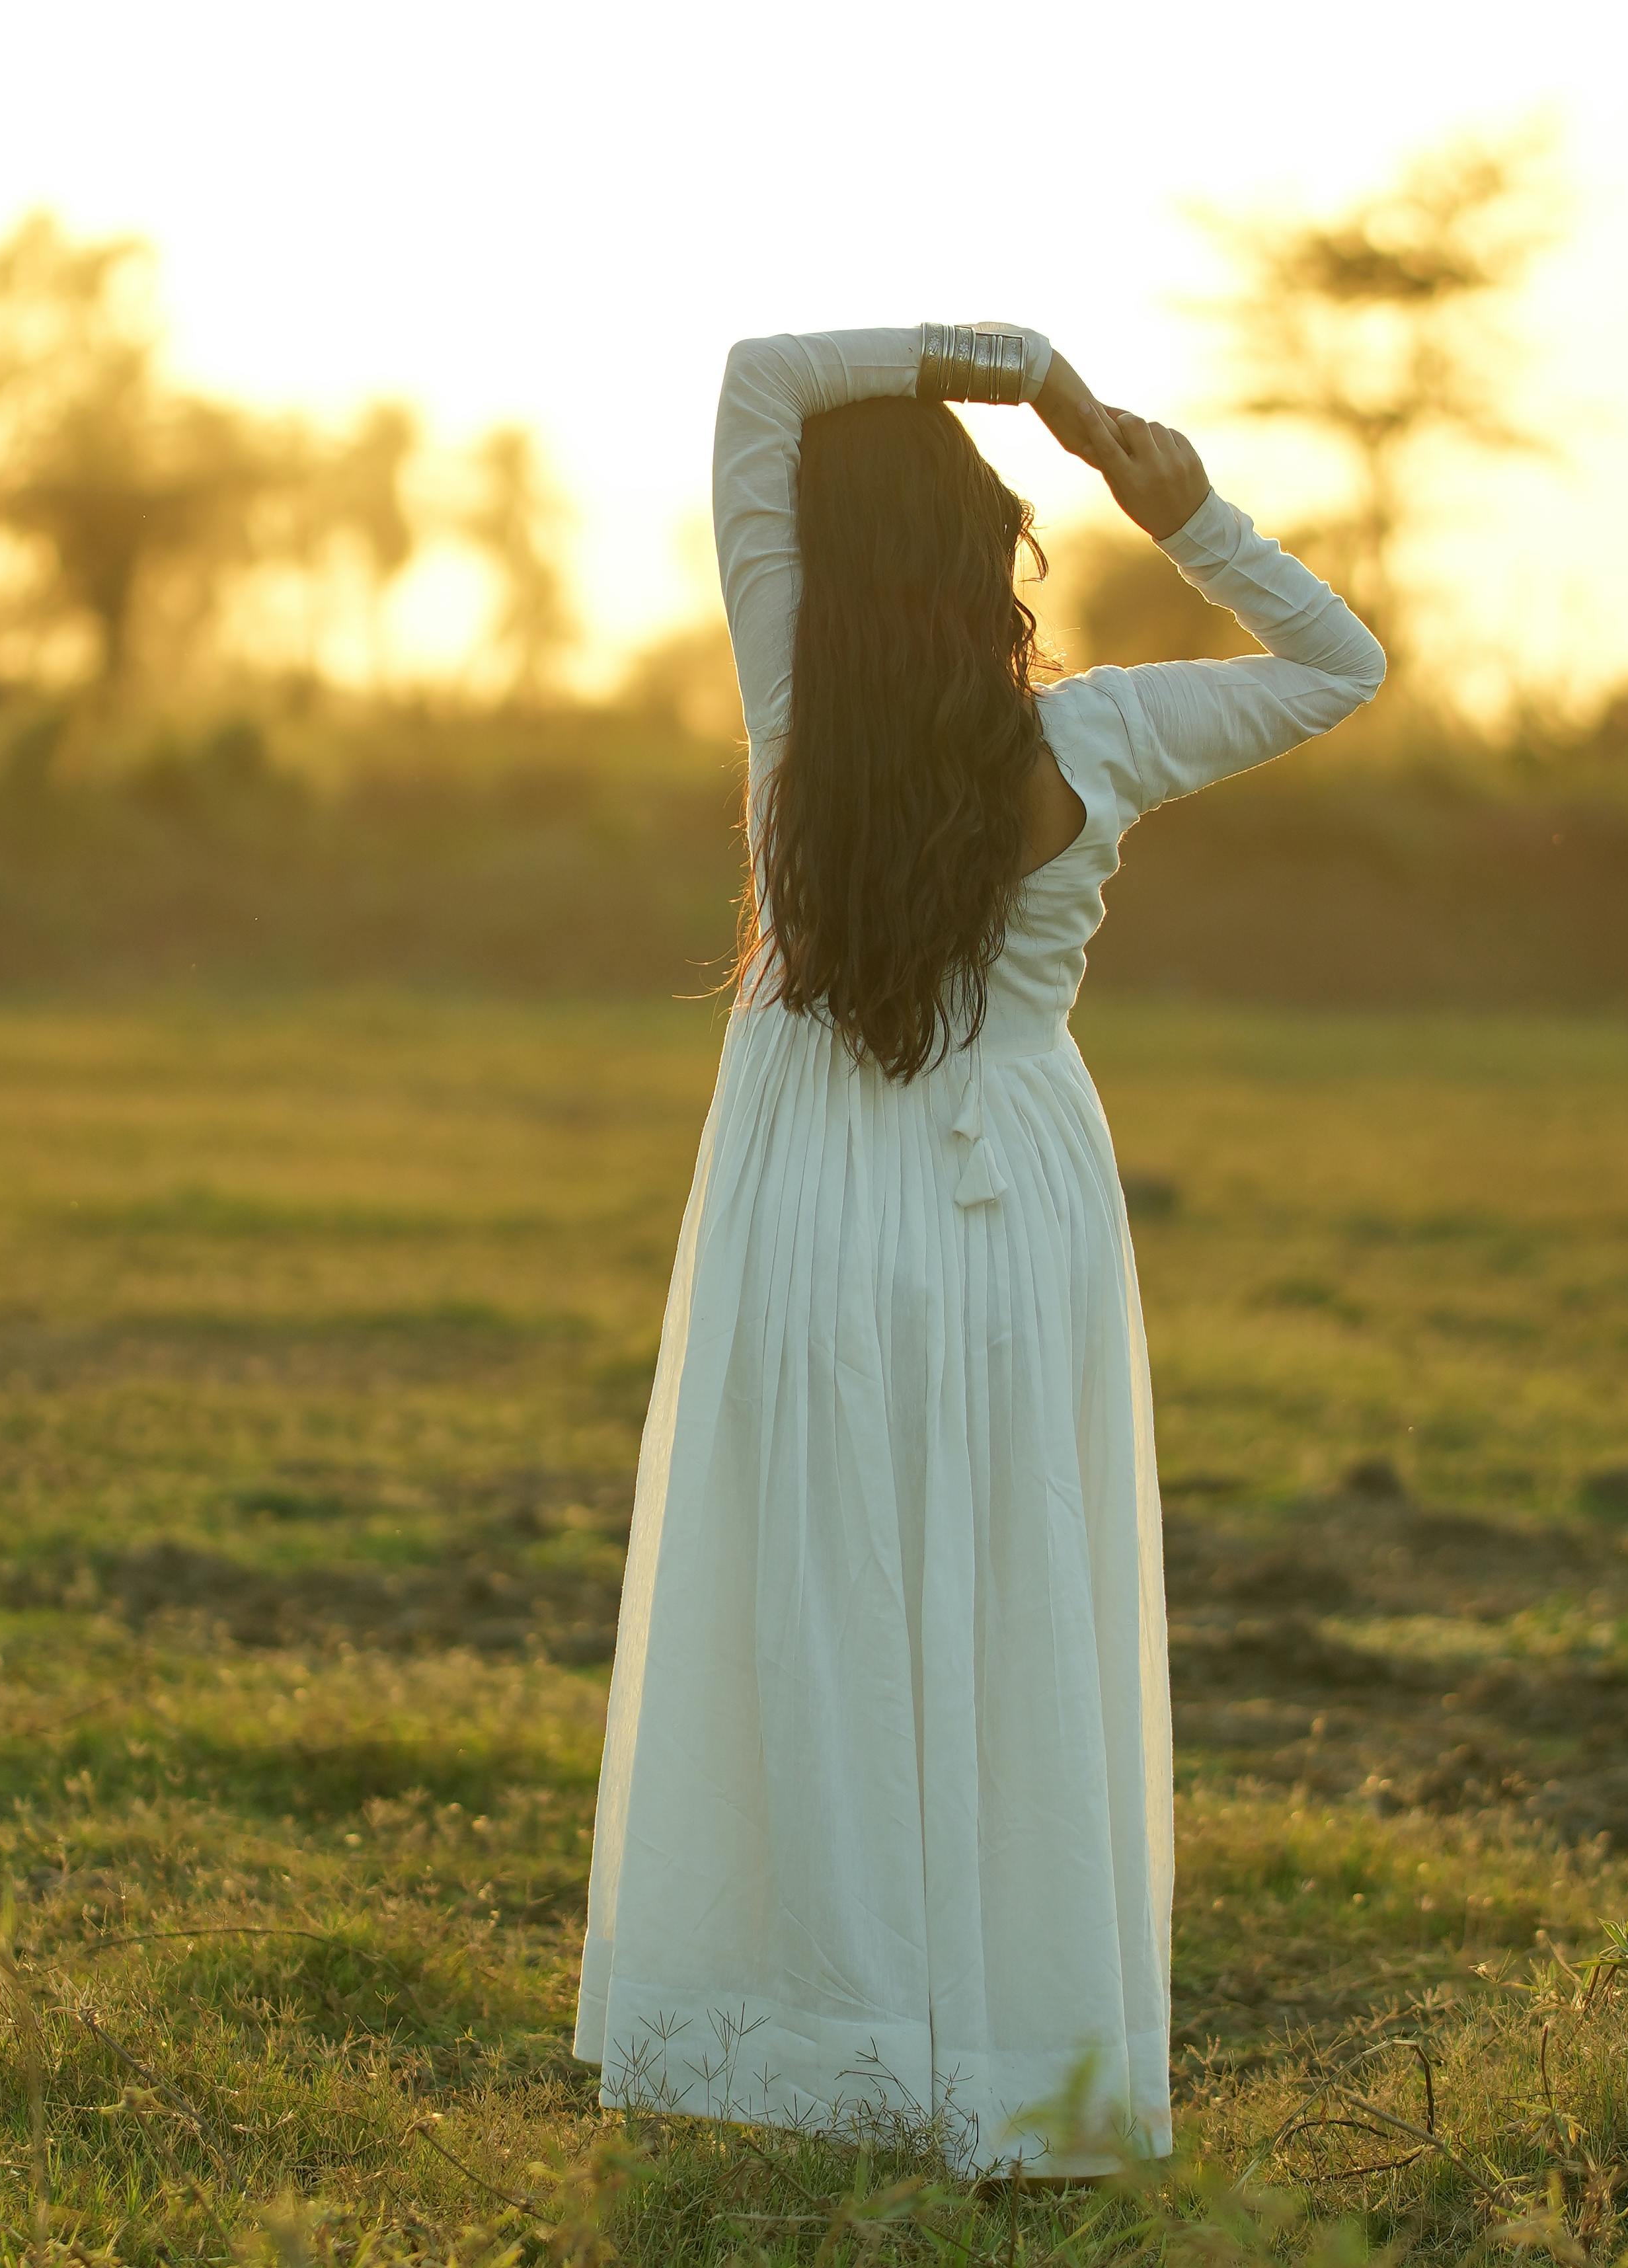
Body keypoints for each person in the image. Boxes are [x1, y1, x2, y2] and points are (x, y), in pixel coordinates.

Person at [572, 322, 1386, 2178]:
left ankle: (835, 2047)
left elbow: (760, 382)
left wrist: (979, 352)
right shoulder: (1094, 737)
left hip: (806, 1183)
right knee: (1019, 1593)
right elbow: (1345, 666)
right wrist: (1171, 500)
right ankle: (1022, 2072)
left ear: (818, 567)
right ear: (985, 561)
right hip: (1015, 1185)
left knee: (823, 1601)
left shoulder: (792, 701)